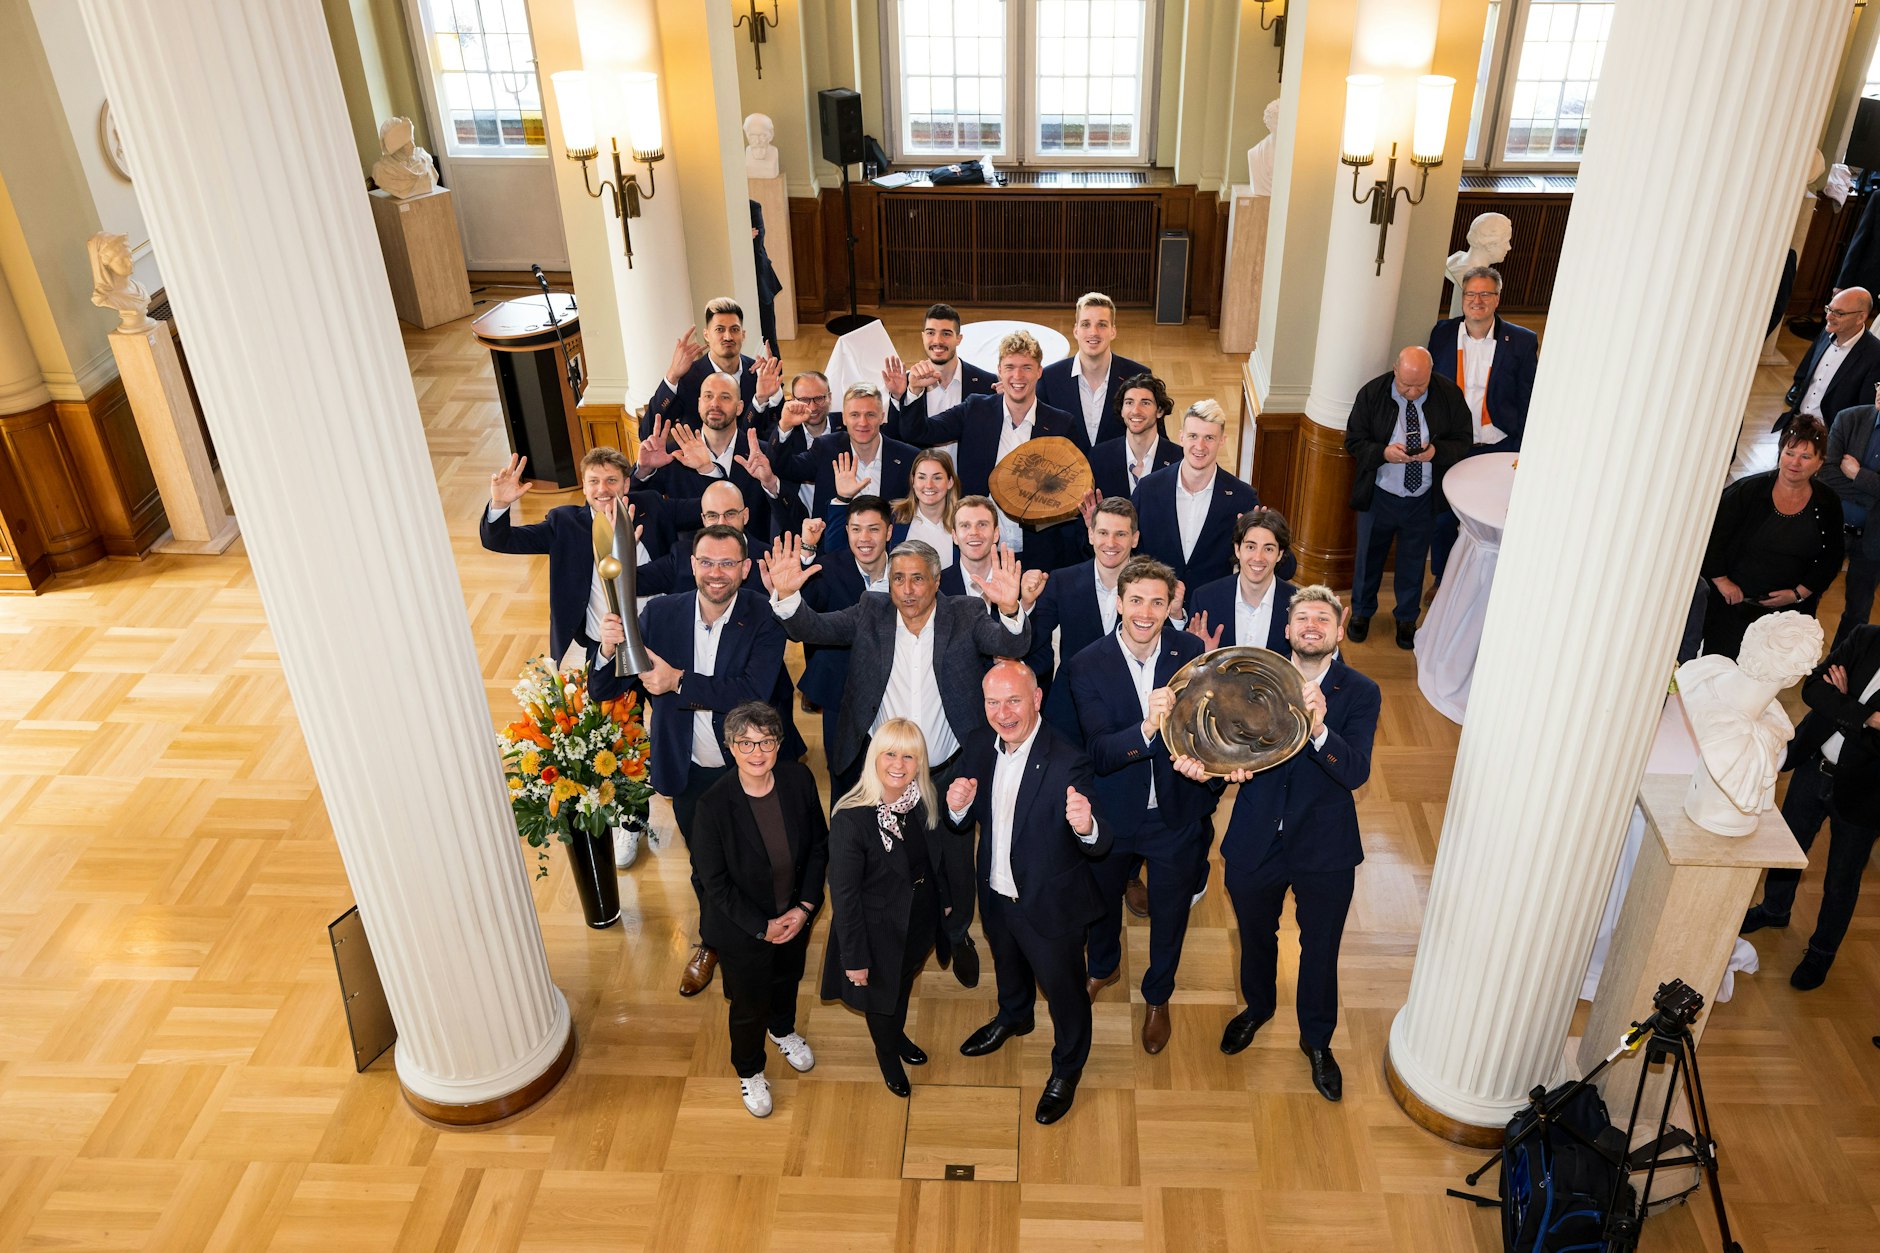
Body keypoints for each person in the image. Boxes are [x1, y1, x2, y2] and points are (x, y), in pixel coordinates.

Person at [766, 535, 1034, 985]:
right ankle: (910, 935)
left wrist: (1009, 611)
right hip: (886, 771)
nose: (907, 589)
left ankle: (956, 933)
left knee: (954, 861)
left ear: (936, 582)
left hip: (949, 767)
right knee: (896, 862)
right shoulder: (871, 611)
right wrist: (789, 598)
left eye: (917, 579)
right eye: (898, 579)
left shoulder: (965, 614)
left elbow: (1014, 643)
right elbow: (813, 629)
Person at [593, 525, 789, 999]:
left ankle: (763, 938)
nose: (716, 573)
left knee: (761, 861)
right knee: (705, 865)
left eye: (727, 564)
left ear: (745, 569)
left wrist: (678, 682)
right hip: (687, 773)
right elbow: (604, 690)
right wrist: (605, 649)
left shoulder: (765, 618)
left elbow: (751, 694)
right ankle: (713, 941)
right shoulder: (660, 613)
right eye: (706, 562)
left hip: (748, 770)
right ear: (692, 565)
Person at [1205, 585, 1379, 1103]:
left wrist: (1320, 729)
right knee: (1254, 936)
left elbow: (1354, 772)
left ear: (1338, 630)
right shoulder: (1256, 680)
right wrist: (1210, 769)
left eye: (1322, 619)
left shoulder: (1361, 691)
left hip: (1324, 849)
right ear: (1287, 629)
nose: (1311, 626)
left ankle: (1317, 1041)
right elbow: (1224, 746)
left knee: (1320, 950)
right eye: (1302, 617)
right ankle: (1258, 1007)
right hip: (1255, 839)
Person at [1066, 557, 1221, 1055]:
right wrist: (1147, 730)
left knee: (1172, 912)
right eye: (1136, 600)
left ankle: (1158, 995)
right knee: (1101, 902)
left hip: (1175, 814)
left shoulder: (1192, 653)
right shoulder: (1087, 663)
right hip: (1112, 813)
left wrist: (1210, 771)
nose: (1146, 612)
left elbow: (1205, 734)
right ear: (1119, 602)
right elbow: (1101, 753)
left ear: (1170, 604)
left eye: (1158, 601)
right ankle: (1103, 966)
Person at [946, 660, 1111, 1124]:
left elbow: (1103, 839)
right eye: (993, 702)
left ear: (1037, 699)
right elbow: (963, 813)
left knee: (1065, 993)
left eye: (1014, 700)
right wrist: (957, 808)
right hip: (996, 891)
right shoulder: (979, 744)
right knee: (1007, 963)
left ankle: (1067, 1066)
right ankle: (1015, 1016)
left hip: (1049, 903)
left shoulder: (1067, 758)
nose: (1003, 713)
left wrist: (1087, 825)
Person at [686, 701, 827, 1118]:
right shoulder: (712, 807)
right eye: (745, 743)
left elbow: (819, 846)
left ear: (779, 744)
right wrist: (763, 927)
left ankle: (782, 1029)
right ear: (730, 747)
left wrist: (803, 908)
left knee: (787, 980)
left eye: (766, 741)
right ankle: (749, 1070)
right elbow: (715, 884)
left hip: (794, 916)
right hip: (742, 929)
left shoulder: (798, 779)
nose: (757, 752)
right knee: (747, 1005)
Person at [822, 718, 958, 1096]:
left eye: (909, 756)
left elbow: (933, 860)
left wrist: (943, 903)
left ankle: (896, 1038)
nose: (899, 765)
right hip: (875, 933)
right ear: (874, 757)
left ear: (920, 763)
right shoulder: (851, 819)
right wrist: (854, 959)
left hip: (916, 921)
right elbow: (845, 899)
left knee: (901, 987)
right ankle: (887, 1055)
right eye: (890, 754)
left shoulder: (921, 799)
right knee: (881, 1002)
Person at [1740, 624, 1880, 990]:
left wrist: (1844, 703)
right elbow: (1814, 689)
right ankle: (1774, 910)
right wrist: (1865, 716)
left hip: (1867, 794)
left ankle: (1821, 953)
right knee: (1787, 848)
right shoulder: (1865, 637)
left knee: (1841, 881)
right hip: (1812, 765)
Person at [894, 330, 1082, 571]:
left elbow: (1075, 489)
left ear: (1039, 372)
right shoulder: (975, 409)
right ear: (999, 371)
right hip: (977, 549)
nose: (1017, 376)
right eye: (1010, 367)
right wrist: (913, 392)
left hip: (1040, 552)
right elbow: (919, 432)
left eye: (1026, 367)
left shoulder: (1061, 424)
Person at [479, 447, 673, 667]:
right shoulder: (564, 523)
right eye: (593, 481)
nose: (602, 489)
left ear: (626, 484)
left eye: (611, 480)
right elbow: (500, 540)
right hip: (603, 646)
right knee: (604, 699)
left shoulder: (651, 506)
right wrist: (500, 504)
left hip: (659, 638)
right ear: (584, 485)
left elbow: (703, 512)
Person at [1344, 346, 1470, 650]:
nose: (1412, 392)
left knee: (1413, 562)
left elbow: (1464, 441)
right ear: (1395, 370)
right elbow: (1354, 442)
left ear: (1430, 374)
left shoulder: (1448, 394)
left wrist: (1435, 453)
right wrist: (1383, 453)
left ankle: (1406, 619)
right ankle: (1361, 613)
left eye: (1420, 385)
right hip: (1379, 496)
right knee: (1367, 560)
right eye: (1405, 385)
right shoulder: (1372, 394)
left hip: (1423, 498)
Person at [1426, 266, 1540, 583]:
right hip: (1453, 445)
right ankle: (1442, 581)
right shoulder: (1442, 333)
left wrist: (1522, 448)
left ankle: (1492, 583)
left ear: (1497, 298)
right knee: (1444, 519)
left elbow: (1528, 397)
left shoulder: (1521, 340)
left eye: (1485, 293)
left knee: (1494, 517)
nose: (1477, 300)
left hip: (1499, 445)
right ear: (1463, 299)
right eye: (1471, 293)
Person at [1700, 417, 1845, 659]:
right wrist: (1722, 581)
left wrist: (1798, 593)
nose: (1795, 463)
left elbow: (1832, 555)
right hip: (1733, 608)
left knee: (1765, 676)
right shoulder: (1746, 492)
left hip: (1786, 617)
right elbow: (1712, 538)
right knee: (1721, 670)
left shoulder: (1827, 501)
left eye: (1806, 457)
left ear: (1820, 462)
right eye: (1790, 453)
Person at [633, 373, 798, 543]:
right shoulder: (672, 455)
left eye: (725, 397)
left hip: (753, 561)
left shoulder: (764, 453)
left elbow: (792, 516)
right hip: (691, 563)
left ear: (740, 407)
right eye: (708, 396)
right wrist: (644, 471)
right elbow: (636, 505)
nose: (715, 404)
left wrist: (771, 483)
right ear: (699, 404)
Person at [794, 496, 895, 772]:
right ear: (847, 531)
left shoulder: (905, 570)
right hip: (840, 690)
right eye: (856, 529)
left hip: (894, 690)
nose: (864, 538)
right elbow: (804, 616)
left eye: (874, 529)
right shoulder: (827, 569)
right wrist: (806, 554)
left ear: (889, 532)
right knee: (844, 773)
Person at [1028, 496, 1142, 732]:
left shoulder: (1151, 584)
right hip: (1069, 713)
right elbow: (1031, 640)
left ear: (1135, 539)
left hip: (1129, 715)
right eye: (1102, 533)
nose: (1110, 542)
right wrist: (1023, 605)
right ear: (1090, 535)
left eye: (1120, 534)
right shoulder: (1062, 580)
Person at [1131, 399, 1262, 590]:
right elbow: (1128, 544)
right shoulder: (1148, 489)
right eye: (1193, 436)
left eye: (1209, 438)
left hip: (1211, 611)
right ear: (1181, 437)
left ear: (1222, 441)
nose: (1200, 446)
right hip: (1155, 607)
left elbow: (1285, 567)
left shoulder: (1242, 498)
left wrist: (1266, 535)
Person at [640, 296, 784, 437]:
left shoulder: (758, 373)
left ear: (743, 335)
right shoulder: (687, 377)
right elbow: (647, 433)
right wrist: (672, 376)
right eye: (720, 329)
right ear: (706, 335)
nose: (728, 337)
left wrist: (775, 395)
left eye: (734, 329)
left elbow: (778, 432)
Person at [773, 383, 915, 518]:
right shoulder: (826, 448)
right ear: (844, 418)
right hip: (834, 541)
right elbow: (784, 467)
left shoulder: (908, 457)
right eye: (854, 415)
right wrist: (785, 426)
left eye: (870, 414)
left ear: (882, 417)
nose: (863, 422)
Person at [1037, 292, 1150, 452]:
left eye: (1102, 324)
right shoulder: (1050, 379)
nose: (1093, 332)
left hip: (1118, 475)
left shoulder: (1139, 376)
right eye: (1085, 324)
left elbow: (1156, 440)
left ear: (1113, 331)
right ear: (1076, 330)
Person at [1814, 387, 1880, 644]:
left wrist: (1857, 475)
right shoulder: (1848, 418)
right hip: (1832, 528)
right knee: (1810, 592)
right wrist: (1873, 489)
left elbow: (1843, 475)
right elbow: (1828, 473)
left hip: (1873, 540)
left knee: (1858, 610)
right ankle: (1788, 656)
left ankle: (1838, 668)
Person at [1187, 507, 1297, 657]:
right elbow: (1188, 662)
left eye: (1268, 549)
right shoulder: (1204, 598)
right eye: (1250, 547)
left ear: (1280, 554)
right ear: (1237, 549)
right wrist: (1203, 655)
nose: (1258, 557)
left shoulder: (1298, 603)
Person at [1774, 287, 1880, 434]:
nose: (1828, 317)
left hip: (1831, 436)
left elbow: (1864, 412)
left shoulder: (1875, 354)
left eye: (1838, 313)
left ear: (1861, 317)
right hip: (1796, 425)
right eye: (1829, 309)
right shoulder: (1827, 332)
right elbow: (1805, 371)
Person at [882, 303, 996, 436]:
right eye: (931, 333)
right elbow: (895, 438)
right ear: (923, 336)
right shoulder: (906, 384)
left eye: (946, 334)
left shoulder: (987, 383)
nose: (937, 341)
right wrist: (898, 397)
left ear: (958, 339)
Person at [1088, 372, 1180, 501]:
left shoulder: (1179, 459)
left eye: (1145, 403)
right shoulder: (1098, 457)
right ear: (1122, 410)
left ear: (1159, 411)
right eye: (1129, 402)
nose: (1136, 410)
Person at [749, 200, 783, 358]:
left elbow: (756, 244)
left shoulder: (753, 207)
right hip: (743, 283)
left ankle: (778, 381)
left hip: (761, 283)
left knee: (768, 336)